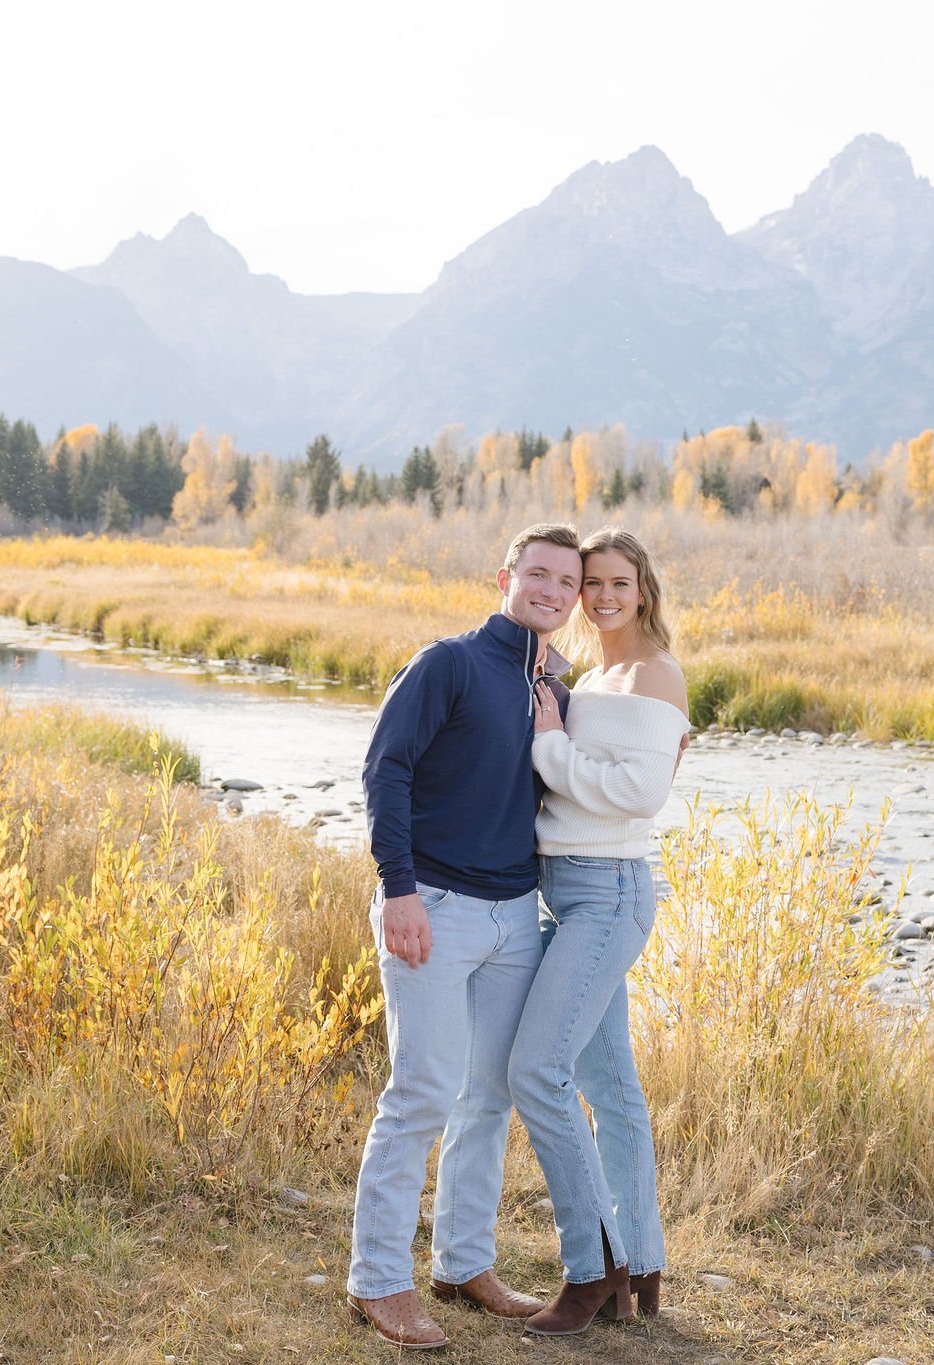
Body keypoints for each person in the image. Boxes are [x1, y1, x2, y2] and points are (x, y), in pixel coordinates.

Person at [345, 523, 582, 1351]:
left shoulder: (554, 682)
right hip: (434, 906)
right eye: (539, 574)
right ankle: (378, 1280)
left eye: (568, 582)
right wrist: (397, 888)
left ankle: (463, 1263)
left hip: (516, 913)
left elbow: (572, 782)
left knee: (490, 1093)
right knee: (422, 1091)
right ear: (505, 576)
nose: (552, 590)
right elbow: (386, 768)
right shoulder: (448, 662)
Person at [509, 527, 691, 1336]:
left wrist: (552, 747)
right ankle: (643, 1262)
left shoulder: (656, 675)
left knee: (537, 1069)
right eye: (593, 584)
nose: (603, 596)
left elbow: (642, 793)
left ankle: (592, 1267)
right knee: (611, 1089)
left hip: (610, 894)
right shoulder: (592, 673)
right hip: (567, 888)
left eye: (618, 582)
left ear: (643, 587)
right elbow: (594, 787)